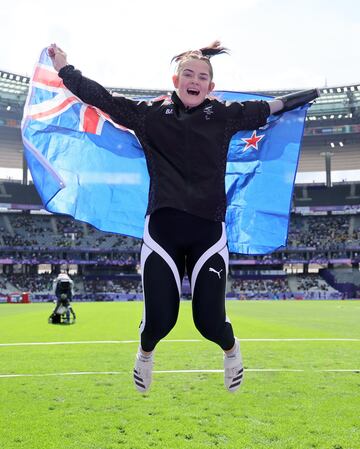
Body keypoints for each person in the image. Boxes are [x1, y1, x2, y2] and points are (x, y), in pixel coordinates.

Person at [48, 41, 319, 393]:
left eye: (202, 76)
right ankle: (145, 355)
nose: (195, 80)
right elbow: (103, 99)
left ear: (211, 87)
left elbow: (272, 108)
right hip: (162, 231)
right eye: (188, 74)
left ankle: (231, 351)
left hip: (209, 232)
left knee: (209, 322)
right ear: (175, 79)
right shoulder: (148, 116)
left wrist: (310, 94)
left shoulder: (225, 116)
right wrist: (65, 68)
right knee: (160, 320)